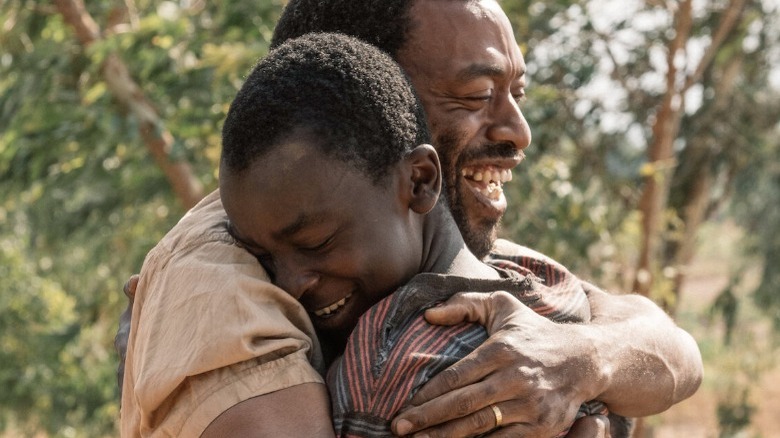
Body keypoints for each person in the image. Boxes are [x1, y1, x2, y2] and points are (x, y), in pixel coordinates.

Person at [117, 0, 703, 436]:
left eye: (515, 93)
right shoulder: (221, 264)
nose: (518, 132)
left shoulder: (437, 248)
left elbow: (672, 348)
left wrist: (584, 360)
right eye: (474, 96)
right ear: (369, 88)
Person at [219, 32, 614, 437]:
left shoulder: (381, 372)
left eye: (316, 243)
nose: (287, 285)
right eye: (262, 257)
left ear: (420, 180)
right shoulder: (550, 283)